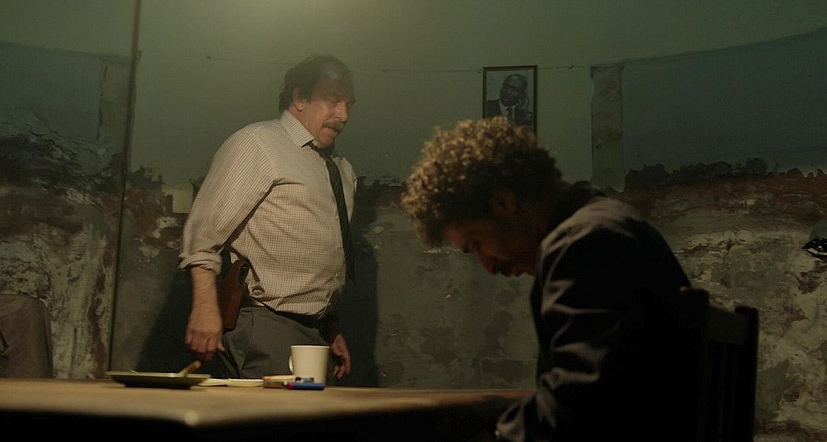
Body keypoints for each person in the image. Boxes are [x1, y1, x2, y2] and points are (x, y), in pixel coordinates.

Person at [400, 117, 693, 441]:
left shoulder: (586, 243)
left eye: (477, 244)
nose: (488, 267)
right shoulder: (607, 225)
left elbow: (577, 408)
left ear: (503, 203)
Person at [179, 54, 356, 381]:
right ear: (300, 98)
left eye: (349, 104)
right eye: (332, 101)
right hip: (266, 325)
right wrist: (205, 309)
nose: (343, 115)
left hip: (314, 333)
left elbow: (326, 257)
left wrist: (329, 328)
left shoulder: (340, 169)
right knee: (270, 413)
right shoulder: (258, 144)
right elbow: (203, 236)